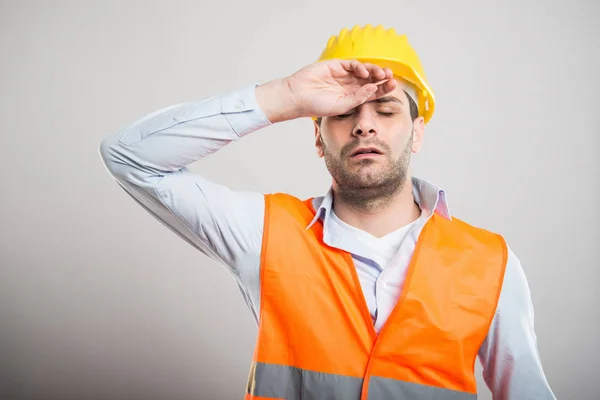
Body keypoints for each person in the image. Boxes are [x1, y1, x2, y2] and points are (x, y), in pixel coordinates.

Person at [99, 24, 556, 399]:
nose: (364, 123)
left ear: (417, 134)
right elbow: (129, 156)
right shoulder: (264, 235)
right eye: (344, 112)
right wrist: (286, 97)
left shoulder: (491, 263)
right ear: (318, 138)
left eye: (386, 108)